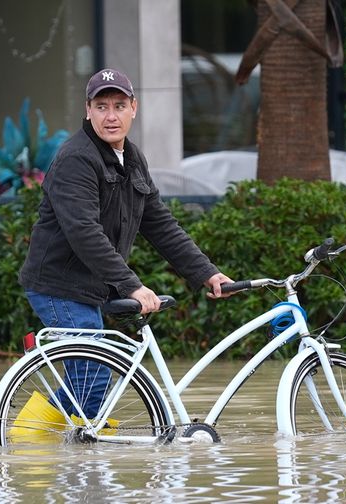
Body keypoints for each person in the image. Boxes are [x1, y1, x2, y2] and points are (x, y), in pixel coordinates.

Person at [17, 68, 233, 425]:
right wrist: (131, 284)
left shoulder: (130, 158)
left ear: (135, 107)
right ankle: (31, 442)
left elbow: (160, 224)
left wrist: (206, 273)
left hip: (89, 286)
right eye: (102, 106)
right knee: (95, 375)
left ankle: (61, 445)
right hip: (59, 285)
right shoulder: (76, 159)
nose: (111, 116)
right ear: (87, 110)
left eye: (119, 105)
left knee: (89, 380)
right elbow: (84, 231)